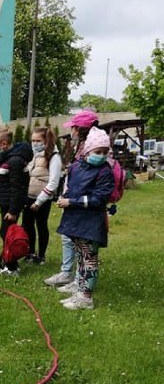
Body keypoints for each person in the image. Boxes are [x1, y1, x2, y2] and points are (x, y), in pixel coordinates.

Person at [54, 127, 114, 310]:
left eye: (105, 152)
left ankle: (86, 297)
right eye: (98, 151)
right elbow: (69, 187)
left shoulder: (105, 172)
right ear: (87, 151)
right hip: (76, 220)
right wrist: (63, 197)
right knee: (80, 255)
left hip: (91, 222)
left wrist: (71, 202)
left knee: (89, 258)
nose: (102, 155)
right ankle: (78, 285)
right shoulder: (77, 167)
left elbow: (98, 199)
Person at [44, 109, 99, 288]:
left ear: (81, 129)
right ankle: (70, 275)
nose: (72, 132)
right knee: (70, 238)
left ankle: (77, 281)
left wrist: (71, 199)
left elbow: (86, 181)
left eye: (74, 128)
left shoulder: (91, 150)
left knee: (82, 244)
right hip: (73, 199)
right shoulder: (80, 148)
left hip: (82, 203)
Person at [0, 128, 33, 276]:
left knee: (9, 235)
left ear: (3, 144)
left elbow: (17, 188)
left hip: (11, 205)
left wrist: (13, 211)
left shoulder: (15, 161)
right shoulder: (3, 157)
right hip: (4, 203)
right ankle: (6, 261)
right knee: (5, 233)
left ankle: (12, 266)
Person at [23, 126, 62, 264]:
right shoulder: (33, 154)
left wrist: (39, 201)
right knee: (27, 225)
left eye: (38, 140)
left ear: (46, 140)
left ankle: (41, 255)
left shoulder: (53, 157)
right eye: (32, 140)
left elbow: (53, 182)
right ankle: (30, 252)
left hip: (42, 199)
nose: (34, 143)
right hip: (28, 196)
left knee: (41, 225)